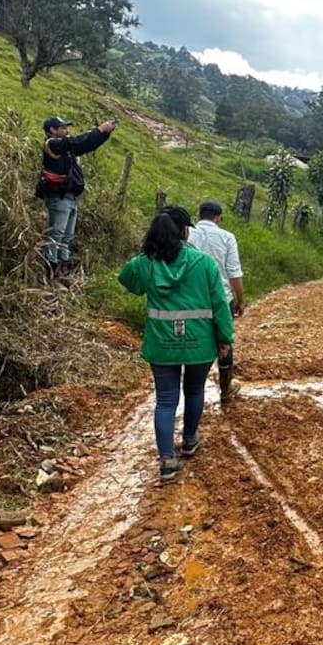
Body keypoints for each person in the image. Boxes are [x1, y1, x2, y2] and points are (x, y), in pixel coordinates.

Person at [119, 206, 234, 483]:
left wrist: (147, 253)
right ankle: (191, 439)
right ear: (185, 232)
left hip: (162, 344)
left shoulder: (145, 263)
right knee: (194, 390)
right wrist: (225, 338)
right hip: (200, 343)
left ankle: (167, 460)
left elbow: (127, 280)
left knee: (166, 400)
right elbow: (220, 304)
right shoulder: (204, 263)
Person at [36, 115, 117, 277]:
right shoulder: (52, 144)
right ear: (52, 130)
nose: (67, 130)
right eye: (63, 127)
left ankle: (60, 273)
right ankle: (49, 273)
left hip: (70, 198)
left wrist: (104, 134)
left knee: (66, 237)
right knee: (56, 236)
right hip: (59, 197)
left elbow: (86, 144)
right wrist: (99, 130)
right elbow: (76, 141)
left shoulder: (66, 147)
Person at [187, 200, 244, 405]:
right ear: (218, 217)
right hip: (221, 298)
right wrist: (240, 299)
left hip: (191, 299)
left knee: (193, 339)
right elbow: (234, 272)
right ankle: (226, 388)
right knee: (224, 341)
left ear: (198, 215)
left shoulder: (189, 234)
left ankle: (193, 388)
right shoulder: (227, 237)